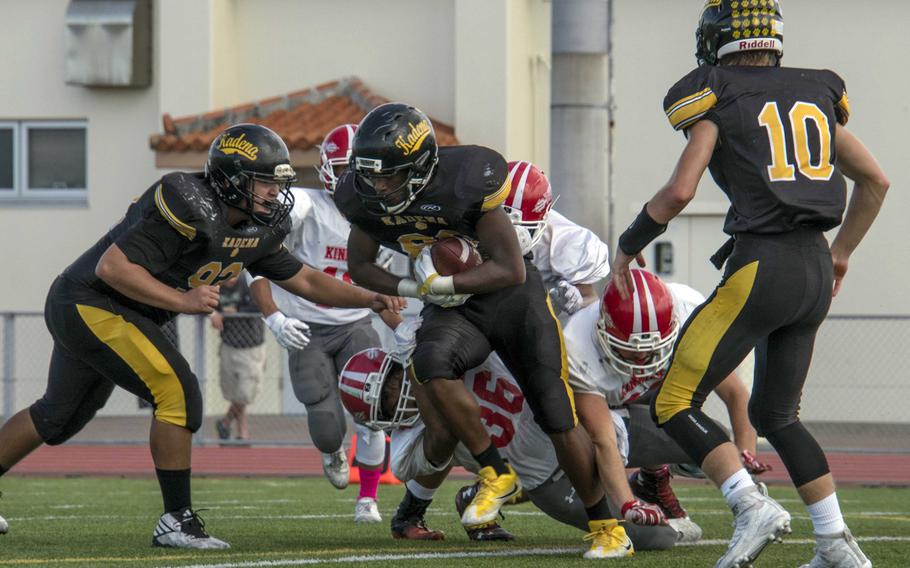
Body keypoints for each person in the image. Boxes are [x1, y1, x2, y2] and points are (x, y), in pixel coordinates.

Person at [0, 123, 403, 549]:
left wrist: (370, 297)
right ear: (232, 179)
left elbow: (304, 279)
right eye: (265, 182)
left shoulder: (257, 225)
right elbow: (112, 268)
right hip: (91, 301)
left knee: (58, 417)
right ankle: (177, 519)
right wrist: (184, 300)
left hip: (119, 310)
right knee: (178, 391)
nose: (274, 193)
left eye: (277, 183)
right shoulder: (187, 200)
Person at [609, 3, 888, 567]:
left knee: (671, 400)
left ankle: (747, 504)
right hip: (813, 268)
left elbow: (680, 191)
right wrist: (842, 254)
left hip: (762, 264)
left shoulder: (716, 91)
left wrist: (629, 243)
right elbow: (876, 180)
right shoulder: (816, 91)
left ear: (716, 41)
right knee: (778, 415)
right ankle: (836, 543)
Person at [335, 102, 631, 558]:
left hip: (512, 300)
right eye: (370, 173)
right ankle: (495, 471)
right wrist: (413, 286)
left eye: (389, 175)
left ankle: (606, 526)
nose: (377, 185)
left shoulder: (466, 180)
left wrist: (446, 283)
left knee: (555, 413)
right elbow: (359, 265)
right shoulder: (361, 198)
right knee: (429, 360)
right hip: (453, 306)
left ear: (419, 167)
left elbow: (512, 269)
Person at [338, 344, 687, 550]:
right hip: (549, 483)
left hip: (575, 426)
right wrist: (421, 373)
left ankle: (654, 478)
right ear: (377, 419)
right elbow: (442, 432)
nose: (400, 393)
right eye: (387, 398)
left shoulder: (444, 348)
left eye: (397, 381)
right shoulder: (404, 451)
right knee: (659, 540)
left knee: (698, 444)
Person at [249, 123, 398, 523]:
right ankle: (332, 451)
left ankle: (368, 498)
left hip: (355, 323)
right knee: (327, 421)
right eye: (348, 170)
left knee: (374, 410)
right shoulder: (303, 205)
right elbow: (256, 260)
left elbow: (385, 287)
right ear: (329, 169)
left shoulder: (379, 217)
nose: (355, 180)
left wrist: (404, 328)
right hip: (305, 324)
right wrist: (274, 316)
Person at [564, 267, 766, 535]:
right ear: (603, 328)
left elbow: (735, 393)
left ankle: (652, 479)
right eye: (633, 350)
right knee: (649, 536)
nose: (643, 359)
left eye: (652, 349)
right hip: (595, 431)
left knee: (719, 440)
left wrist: (745, 458)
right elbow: (603, 439)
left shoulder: (689, 313)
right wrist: (628, 504)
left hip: (649, 406)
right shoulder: (576, 345)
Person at [501, 160, 611, 315]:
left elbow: (590, 298)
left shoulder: (565, 243)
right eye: (500, 225)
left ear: (542, 219)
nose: (506, 237)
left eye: (519, 229)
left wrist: (576, 300)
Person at [211, 277, 267, 441]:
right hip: (228, 344)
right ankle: (242, 433)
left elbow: (260, 306)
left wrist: (235, 310)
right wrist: (214, 314)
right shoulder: (216, 285)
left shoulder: (248, 282)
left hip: (251, 346)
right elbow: (203, 303)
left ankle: (226, 421)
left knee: (245, 393)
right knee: (234, 392)